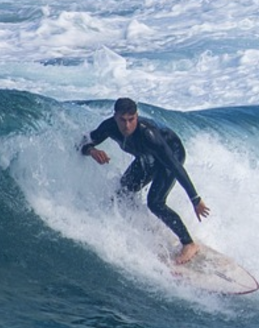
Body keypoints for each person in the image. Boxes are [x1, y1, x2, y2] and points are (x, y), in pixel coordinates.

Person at [80, 97, 211, 264]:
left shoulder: (149, 135)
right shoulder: (109, 127)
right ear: (115, 117)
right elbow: (82, 144)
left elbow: (175, 167)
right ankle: (144, 224)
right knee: (123, 193)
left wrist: (195, 199)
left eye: (131, 119)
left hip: (172, 153)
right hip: (147, 157)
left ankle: (189, 244)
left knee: (155, 202)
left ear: (136, 116)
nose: (127, 126)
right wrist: (92, 151)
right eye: (122, 120)